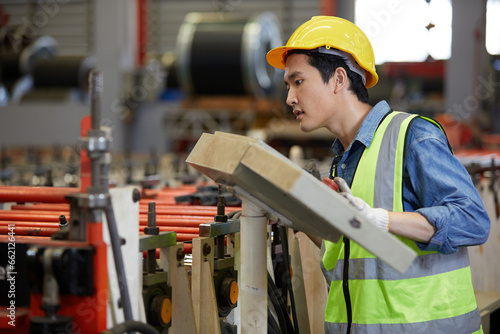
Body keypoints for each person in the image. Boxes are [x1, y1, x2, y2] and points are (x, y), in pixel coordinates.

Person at [266, 16, 490, 334]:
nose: (289, 98)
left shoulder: (411, 136)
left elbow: (473, 221)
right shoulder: (343, 161)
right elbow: (357, 255)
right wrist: (298, 216)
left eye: (298, 81)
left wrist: (382, 220)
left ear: (338, 79)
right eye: (288, 85)